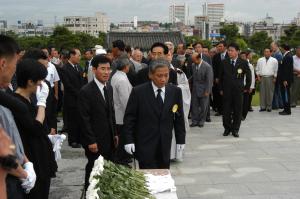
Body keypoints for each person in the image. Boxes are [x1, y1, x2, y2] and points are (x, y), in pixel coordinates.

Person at [123, 58, 186, 169]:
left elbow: (179, 118)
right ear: (150, 75)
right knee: (147, 178)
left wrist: (181, 140)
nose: (163, 79)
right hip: (145, 143)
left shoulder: (175, 91)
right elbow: (129, 118)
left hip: (165, 143)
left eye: (166, 75)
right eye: (159, 76)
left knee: (163, 176)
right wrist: (129, 140)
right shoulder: (138, 92)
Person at [13, 59, 57, 199]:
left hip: (40, 156)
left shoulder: (28, 99)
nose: (42, 84)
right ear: (30, 81)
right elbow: (36, 127)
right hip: (32, 159)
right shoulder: (17, 102)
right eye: (40, 80)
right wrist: (42, 103)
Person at [0, 35, 36, 199]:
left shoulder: (5, 96)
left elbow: (11, 136)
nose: (15, 70)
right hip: (8, 181)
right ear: (3, 64)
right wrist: (24, 174)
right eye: (15, 64)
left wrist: (26, 161)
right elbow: (2, 152)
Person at [78, 55, 118, 190]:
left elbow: (111, 112)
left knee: (107, 166)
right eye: (103, 69)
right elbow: (84, 119)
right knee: (93, 166)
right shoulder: (86, 91)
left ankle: (104, 191)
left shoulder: (109, 88)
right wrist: (90, 141)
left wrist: (115, 133)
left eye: (108, 69)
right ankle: (89, 190)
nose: (107, 72)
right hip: (94, 138)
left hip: (109, 136)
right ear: (94, 70)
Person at [219, 43, 251, 138]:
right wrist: (221, 89)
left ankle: (235, 129)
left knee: (238, 110)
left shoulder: (243, 62)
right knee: (226, 111)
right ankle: (227, 128)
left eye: (232, 50)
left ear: (237, 51)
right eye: (228, 50)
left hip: (238, 91)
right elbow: (220, 78)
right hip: (227, 91)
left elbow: (249, 76)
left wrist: (246, 88)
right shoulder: (224, 62)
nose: (230, 52)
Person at [60, 48, 84, 148]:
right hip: (71, 98)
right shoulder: (64, 68)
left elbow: (83, 80)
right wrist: (79, 93)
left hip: (81, 97)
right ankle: (72, 140)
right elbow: (67, 85)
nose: (80, 57)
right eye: (78, 55)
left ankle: (79, 139)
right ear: (72, 55)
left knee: (80, 119)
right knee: (72, 120)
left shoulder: (79, 67)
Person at [110, 58, 133, 165]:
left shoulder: (116, 75)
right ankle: (122, 158)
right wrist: (131, 114)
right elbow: (125, 100)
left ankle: (123, 157)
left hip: (118, 111)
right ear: (126, 67)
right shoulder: (122, 79)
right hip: (122, 113)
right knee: (123, 137)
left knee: (121, 136)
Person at [190, 53, 213, 128]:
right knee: (194, 106)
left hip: (204, 89)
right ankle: (194, 121)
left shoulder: (207, 67)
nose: (193, 62)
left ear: (198, 58)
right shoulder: (193, 65)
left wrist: (207, 91)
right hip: (195, 89)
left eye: (194, 60)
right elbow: (193, 76)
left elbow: (209, 80)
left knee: (204, 106)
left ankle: (201, 121)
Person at [212, 41, 228, 116]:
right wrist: (216, 77)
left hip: (228, 79)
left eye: (221, 46)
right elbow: (214, 68)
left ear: (225, 47)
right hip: (218, 79)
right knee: (218, 94)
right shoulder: (216, 56)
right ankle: (219, 110)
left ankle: (227, 110)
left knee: (228, 95)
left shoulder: (229, 55)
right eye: (218, 46)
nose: (219, 48)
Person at [278, 44, 294, 115]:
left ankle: (287, 110)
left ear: (284, 48)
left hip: (285, 80)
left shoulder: (288, 56)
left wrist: (285, 80)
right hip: (285, 79)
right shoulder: (287, 55)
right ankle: (285, 109)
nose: (280, 49)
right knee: (284, 94)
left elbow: (286, 70)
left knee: (286, 95)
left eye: (281, 48)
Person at [240, 51, 255, 119]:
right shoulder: (239, 64)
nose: (242, 58)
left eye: (244, 56)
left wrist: (251, 87)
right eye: (241, 56)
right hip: (239, 85)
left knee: (245, 101)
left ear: (246, 57)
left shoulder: (250, 65)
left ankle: (243, 114)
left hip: (246, 86)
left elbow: (252, 77)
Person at [271, 42, 284, 110]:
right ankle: (280, 104)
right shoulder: (276, 54)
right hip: (277, 74)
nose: (271, 48)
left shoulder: (278, 55)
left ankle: (276, 105)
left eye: (272, 46)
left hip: (277, 75)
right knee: (277, 90)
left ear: (276, 46)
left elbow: (277, 66)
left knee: (275, 90)